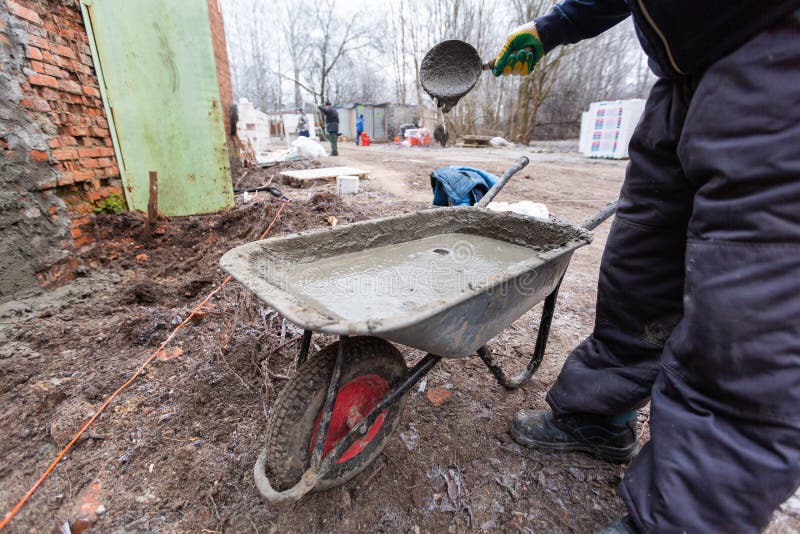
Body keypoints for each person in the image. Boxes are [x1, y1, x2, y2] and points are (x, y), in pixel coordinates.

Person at [492, 3, 800, 533]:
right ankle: (599, 416)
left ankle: (686, 520)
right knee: (637, 275)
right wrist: (553, 27)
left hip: (778, 63)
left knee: (744, 330)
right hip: (680, 81)